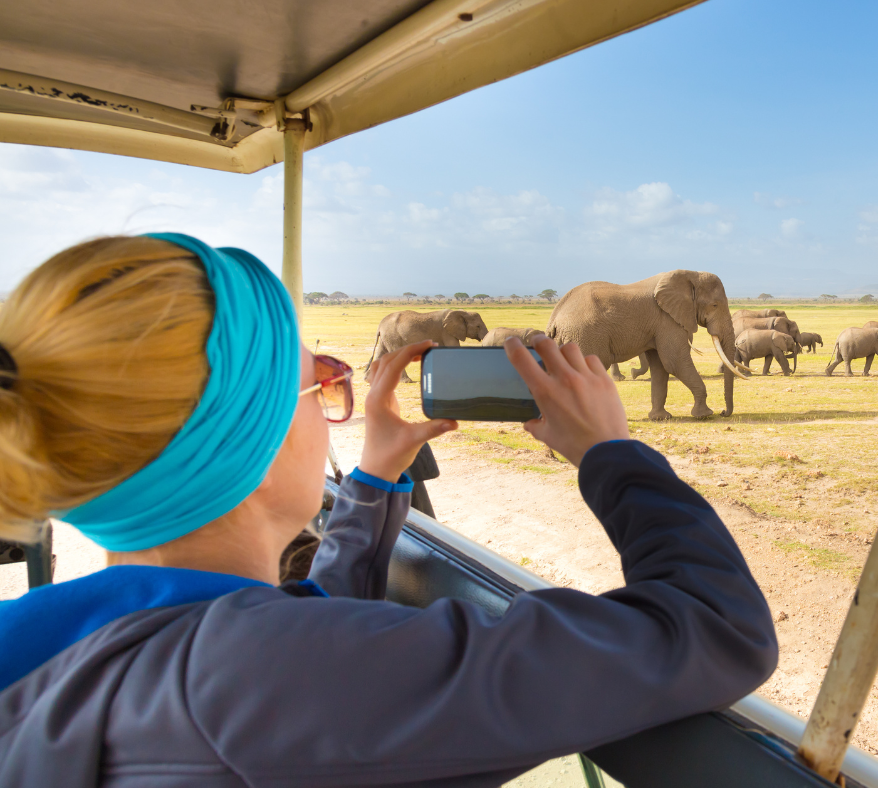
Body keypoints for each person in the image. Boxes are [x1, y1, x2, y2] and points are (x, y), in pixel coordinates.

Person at [0, 234, 777, 787]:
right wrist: (611, 454)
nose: (336, 403)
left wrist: (373, 477)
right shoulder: (264, 680)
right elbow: (718, 626)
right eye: (322, 384)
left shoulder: (45, 639)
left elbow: (302, 646)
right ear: (254, 438)